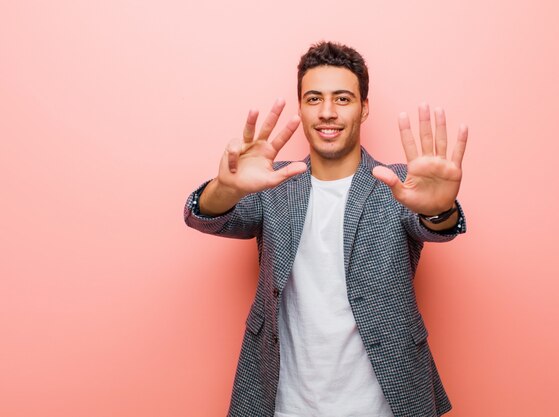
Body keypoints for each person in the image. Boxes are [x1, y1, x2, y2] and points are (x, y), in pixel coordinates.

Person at [184, 41, 468, 417]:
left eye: (343, 99)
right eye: (314, 99)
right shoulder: (274, 184)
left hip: (383, 404)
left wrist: (440, 210)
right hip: (286, 403)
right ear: (300, 107)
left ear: (364, 108)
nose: (328, 113)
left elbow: (437, 225)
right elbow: (206, 217)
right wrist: (228, 187)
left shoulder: (397, 184)